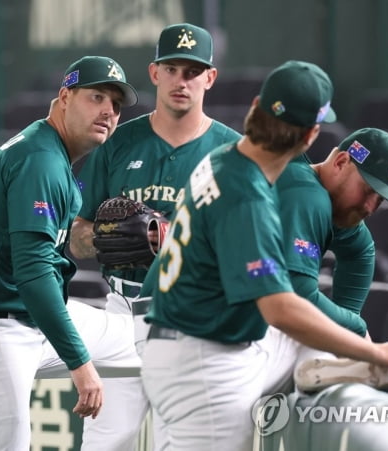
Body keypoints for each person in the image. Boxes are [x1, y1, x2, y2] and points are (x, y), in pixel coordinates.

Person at [140, 60, 388, 451]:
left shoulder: (222, 158)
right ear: (312, 136)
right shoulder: (254, 195)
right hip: (203, 363)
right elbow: (282, 307)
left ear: (256, 107)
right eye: (369, 191)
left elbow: (355, 250)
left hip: (173, 343)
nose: (373, 206)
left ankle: (319, 368)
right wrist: (371, 350)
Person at [0, 56, 142, 451]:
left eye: (115, 104)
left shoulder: (50, 152)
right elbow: (33, 273)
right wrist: (81, 365)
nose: (109, 111)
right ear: (64, 97)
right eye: (97, 97)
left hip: (20, 317)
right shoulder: (41, 160)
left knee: (140, 339)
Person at [69, 23, 241, 450]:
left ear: (210, 78)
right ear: (154, 73)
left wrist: (175, 241)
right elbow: (75, 236)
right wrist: (107, 237)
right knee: (106, 441)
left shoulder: (233, 155)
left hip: (194, 319)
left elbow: (250, 248)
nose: (181, 81)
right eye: (172, 69)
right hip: (121, 312)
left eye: (192, 71)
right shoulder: (117, 143)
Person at [270, 126, 388, 392]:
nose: (370, 207)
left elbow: (361, 250)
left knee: (319, 339)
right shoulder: (306, 194)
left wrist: (347, 328)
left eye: (379, 199)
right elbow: (296, 296)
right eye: (367, 189)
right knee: (307, 331)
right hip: (205, 325)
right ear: (340, 161)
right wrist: (358, 332)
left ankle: (325, 367)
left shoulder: (322, 197)